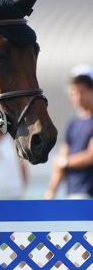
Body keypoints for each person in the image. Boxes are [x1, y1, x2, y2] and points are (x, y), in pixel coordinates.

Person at [46, 65, 93, 199]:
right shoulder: (73, 124)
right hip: (73, 193)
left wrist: (65, 162)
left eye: (82, 92)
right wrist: (51, 192)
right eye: (73, 93)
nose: (77, 97)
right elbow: (61, 161)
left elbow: (91, 155)